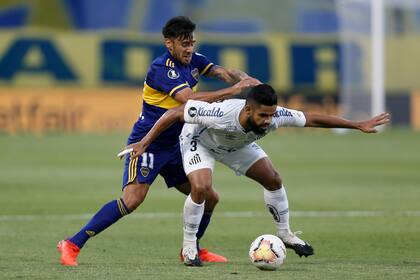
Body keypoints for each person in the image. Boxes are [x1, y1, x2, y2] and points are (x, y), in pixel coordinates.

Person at [57, 16, 260, 266]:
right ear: (169, 43)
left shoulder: (194, 61)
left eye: (192, 43)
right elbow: (188, 100)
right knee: (132, 200)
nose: (189, 49)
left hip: (177, 145)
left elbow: (224, 72)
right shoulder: (161, 69)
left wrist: (246, 79)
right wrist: (234, 90)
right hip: (148, 143)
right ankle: (72, 243)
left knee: (209, 196)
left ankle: (192, 249)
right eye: (184, 44)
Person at [123, 84, 390, 266]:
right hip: (200, 140)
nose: (268, 121)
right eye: (263, 115)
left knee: (273, 179)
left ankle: (285, 234)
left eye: (271, 115)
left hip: (236, 145)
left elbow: (313, 119)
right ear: (248, 109)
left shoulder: (274, 116)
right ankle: (189, 245)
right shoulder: (219, 112)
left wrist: (358, 125)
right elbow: (175, 112)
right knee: (202, 187)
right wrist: (145, 142)